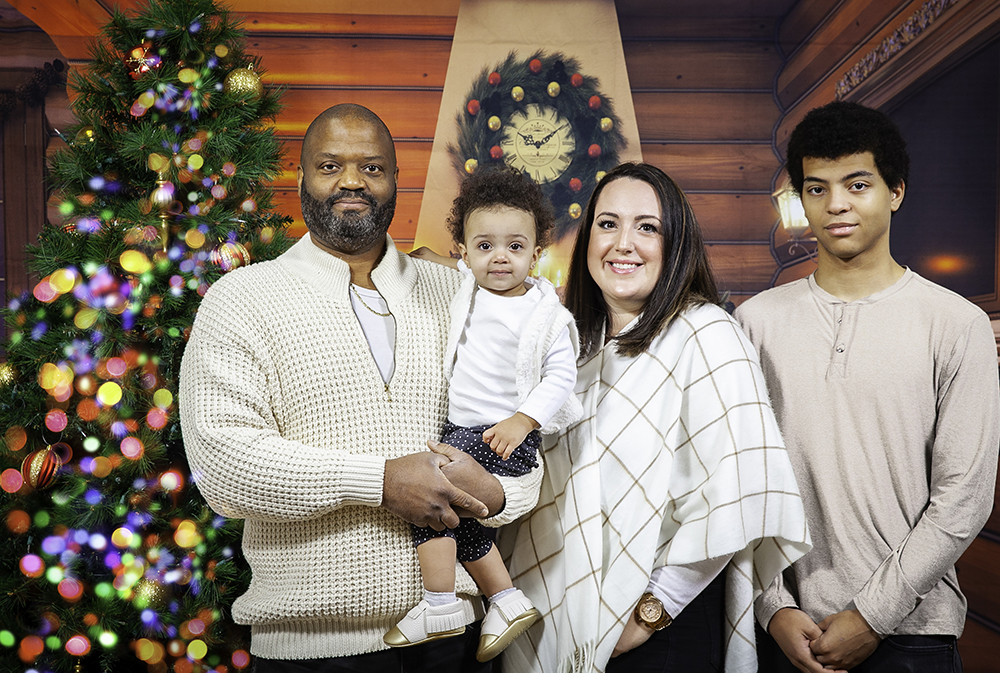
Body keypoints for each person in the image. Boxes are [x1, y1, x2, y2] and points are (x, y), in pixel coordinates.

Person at [179, 104, 543, 673]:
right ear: (301, 180)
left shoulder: (460, 294)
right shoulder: (241, 299)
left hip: (454, 644)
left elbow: (523, 427)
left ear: (397, 182)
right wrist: (379, 481)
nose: (351, 180)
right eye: (329, 166)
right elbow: (224, 469)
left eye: (372, 167)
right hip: (312, 652)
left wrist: (497, 496)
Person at [500, 162, 812, 673]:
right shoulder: (569, 348)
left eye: (648, 227)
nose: (624, 243)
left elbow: (737, 495)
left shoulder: (706, 333)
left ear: (676, 244)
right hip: (558, 615)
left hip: (660, 627)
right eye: (608, 223)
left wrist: (649, 614)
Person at [736, 100, 1000, 673]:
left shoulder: (956, 325)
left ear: (895, 191)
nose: (835, 205)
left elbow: (964, 497)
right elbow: (736, 481)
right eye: (816, 188)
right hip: (786, 632)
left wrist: (871, 616)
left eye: (857, 184)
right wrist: (772, 606)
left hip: (912, 634)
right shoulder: (754, 323)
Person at [386, 167, 581, 662]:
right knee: (462, 520)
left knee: (428, 488)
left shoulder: (546, 316)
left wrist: (524, 420)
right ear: (465, 252)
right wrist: (414, 256)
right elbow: (429, 259)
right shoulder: (467, 290)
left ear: (536, 254)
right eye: (485, 246)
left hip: (504, 439)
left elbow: (560, 379)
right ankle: (507, 599)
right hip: (462, 430)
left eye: (516, 247)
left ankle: (439, 602)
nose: (500, 257)